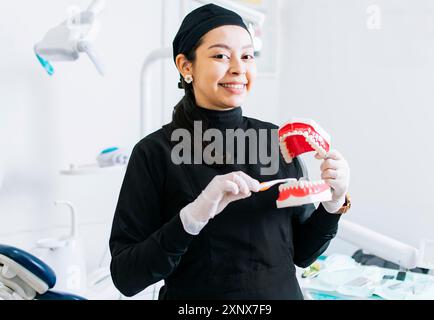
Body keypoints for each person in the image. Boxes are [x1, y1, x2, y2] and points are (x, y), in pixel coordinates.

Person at [109, 4, 350, 300]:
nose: (239, 68)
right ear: (186, 66)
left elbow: (302, 253)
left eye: (247, 55)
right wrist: (190, 219)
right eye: (221, 55)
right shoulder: (155, 153)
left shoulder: (277, 141)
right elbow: (126, 277)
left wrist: (333, 204)